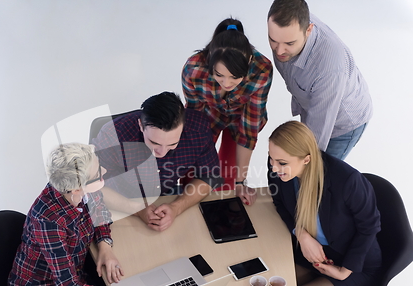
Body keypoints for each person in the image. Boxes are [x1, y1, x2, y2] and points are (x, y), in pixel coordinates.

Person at [8, 143, 164, 286]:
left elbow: (100, 212)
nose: (104, 170)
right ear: (76, 189)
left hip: (76, 272)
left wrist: (105, 244)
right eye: (99, 172)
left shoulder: (82, 189)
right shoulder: (48, 221)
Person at [267, 121, 382, 286]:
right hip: (314, 256)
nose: (273, 168)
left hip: (354, 267)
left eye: (281, 163)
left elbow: (370, 227)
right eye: (271, 159)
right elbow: (279, 203)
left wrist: (345, 271)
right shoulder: (280, 169)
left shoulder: (347, 181)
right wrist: (302, 235)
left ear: (306, 159)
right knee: (271, 284)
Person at [92, 91, 222, 232]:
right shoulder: (112, 136)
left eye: (172, 144)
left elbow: (209, 177)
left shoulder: (198, 128)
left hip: (166, 197)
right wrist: (137, 209)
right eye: (154, 142)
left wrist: (176, 207)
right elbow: (92, 186)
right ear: (141, 125)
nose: (162, 153)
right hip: (121, 203)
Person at [182, 17, 273, 206]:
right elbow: (193, 119)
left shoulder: (261, 70)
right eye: (219, 75)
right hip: (207, 115)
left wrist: (240, 182)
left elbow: (249, 131)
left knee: (228, 173)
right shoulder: (194, 69)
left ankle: (222, 209)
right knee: (191, 171)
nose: (227, 83)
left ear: (248, 61)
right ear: (210, 63)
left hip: (242, 119)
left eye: (235, 77)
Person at [267, 0, 373, 160]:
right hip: (314, 107)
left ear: (308, 30)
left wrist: (305, 165)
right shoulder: (285, 25)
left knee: (318, 175)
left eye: (289, 43)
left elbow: (316, 137)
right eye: (273, 40)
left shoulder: (329, 68)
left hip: (342, 124)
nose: (279, 50)